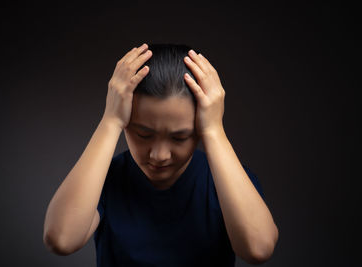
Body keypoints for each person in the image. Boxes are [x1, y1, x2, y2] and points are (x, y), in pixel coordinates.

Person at [43, 43, 279, 266]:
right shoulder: (104, 180)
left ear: (198, 130)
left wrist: (214, 129)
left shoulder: (226, 181)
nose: (159, 155)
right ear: (126, 122)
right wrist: (111, 119)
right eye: (143, 134)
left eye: (179, 138)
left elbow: (258, 249)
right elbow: (62, 240)